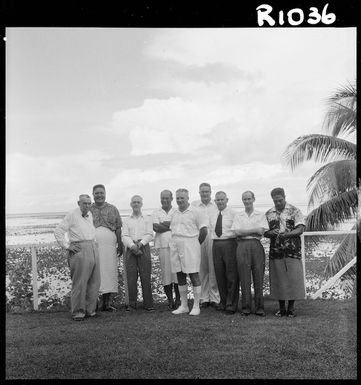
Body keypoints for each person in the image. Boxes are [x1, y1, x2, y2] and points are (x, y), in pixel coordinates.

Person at [54, 194, 100, 321]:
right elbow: (58, 231)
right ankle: (78, 312)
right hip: (79, 249)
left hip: (92, 247)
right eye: (84, 203)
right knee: (79, 282)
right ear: (78, 203)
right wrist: (66, 246)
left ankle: (90, 310)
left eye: (89, 203)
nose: (87, 205)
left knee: (94, 281)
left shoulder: (89, 214)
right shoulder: (72, 215)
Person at [264, 187, 306, 317]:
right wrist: (270, 233)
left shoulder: (295, 211)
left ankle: (291, 308)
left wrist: (286, 235)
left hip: (292, 251)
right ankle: (282, 309)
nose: (278, 203)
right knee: (279, 279)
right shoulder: (269, 213)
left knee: (292, 278)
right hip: (276, 252)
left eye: (280, 200)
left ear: (284, 197)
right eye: (275, 201)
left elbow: (300, 229)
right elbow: (264, 232)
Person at [170, 188, 208, 316]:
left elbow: (204, 230)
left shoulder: (195, 211)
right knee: (180, 275)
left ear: (187, 198)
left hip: (190, 244)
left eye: (182, 198)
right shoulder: (174, 212)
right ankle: (184, 305)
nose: (180, 200)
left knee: (193, 274)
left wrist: (196, 244)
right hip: (176, 244)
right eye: (178, 198)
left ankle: (196, 306)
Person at [231, 191, 268, 316]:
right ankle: (246, 307)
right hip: (242, 246)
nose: (247, 201)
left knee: (258, 276)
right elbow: (236, 233)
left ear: (253, 199)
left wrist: (245, 231)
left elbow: (261, 231)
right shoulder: (238, 216)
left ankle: (259, 308)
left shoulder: (260, 214)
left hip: (256, 246)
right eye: (244, 199)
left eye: (249, 199)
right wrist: (253, 230)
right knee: (244, 277)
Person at [89, 184, 123, 312]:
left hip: (109, 247)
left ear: (105, 194)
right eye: (97, 193)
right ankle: (93, 302)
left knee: (108, 272)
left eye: (101, 193)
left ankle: (106, 303)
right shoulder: (88, 208)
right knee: (94, 272)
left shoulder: (113, 208)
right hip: (94, 245)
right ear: (93, 195)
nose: (99, 195)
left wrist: (120, 244)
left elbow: (118, 227)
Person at [122, 195, 154, 311]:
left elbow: (150, 234)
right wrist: (132, 246)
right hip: (131, 248)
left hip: (143, 247)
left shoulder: (147, 218)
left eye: (138, 202)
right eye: (134, 202)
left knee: (145, 275)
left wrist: (140, 244)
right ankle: (132, 304)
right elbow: (124, 236)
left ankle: (148, 304)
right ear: (131, 204)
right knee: (131, 277)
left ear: (141, 204)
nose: (136, 204)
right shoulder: (126, 220)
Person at [191, 182, 220, 308]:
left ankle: (214, 298)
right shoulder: (194, 205)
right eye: (202, 191)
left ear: (210, 192)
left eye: (207, 191)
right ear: (199, 192)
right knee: (201, 268)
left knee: (213, 268)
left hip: (213, 236)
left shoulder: (216, 205)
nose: (205, 193)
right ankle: (203, 298)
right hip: (200, 236)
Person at [210, 191, 239, 314]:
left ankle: (231, 304)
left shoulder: (233, 213)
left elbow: (237, 230)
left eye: (222, 199)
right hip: (216, 244)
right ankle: (223, 301)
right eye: (218, 200)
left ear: (227, 200)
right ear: (215, 201)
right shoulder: (213, 214)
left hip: (229, 243)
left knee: (231, 275)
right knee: (219, 274)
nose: (220, 202)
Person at [152, 190, 181, 310]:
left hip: (176, 245)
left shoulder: (177, 211)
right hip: (163, 246)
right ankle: (170, 300)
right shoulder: (156, 212)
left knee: (178, 273)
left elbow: (179, 225)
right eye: (162, 198)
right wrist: (170, 225)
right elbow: (156, 227)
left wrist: (165, 224)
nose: (164, 200)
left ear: (171, 198)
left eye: (166, 198)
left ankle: (179, 299)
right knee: (166, 274)